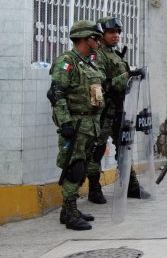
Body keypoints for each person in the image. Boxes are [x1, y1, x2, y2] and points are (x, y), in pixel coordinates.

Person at [47, 20, 105, 230]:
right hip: (77, 124)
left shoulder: (89, 63)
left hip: (91, 124)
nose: (98, 42)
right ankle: (70, 213)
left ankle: (68, 210)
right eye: (95, 38)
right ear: (83, 39)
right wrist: (65, 123)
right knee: (74, 168)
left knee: (82, 168)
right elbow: (56, 94)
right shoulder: (67, 62)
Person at [87, 16, 148, 205]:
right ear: (101, 34)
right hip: (104, 112)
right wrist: (128, 75)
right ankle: (94, 189)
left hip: (119, 110)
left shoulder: (115, 55)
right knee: (97, 150)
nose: (116, 35)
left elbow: (122, 84)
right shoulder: (98, 56)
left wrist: (132, 77)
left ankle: (130, 186)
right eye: (111, 32)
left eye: (118, 32)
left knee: (124, 148)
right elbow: (101, 84)